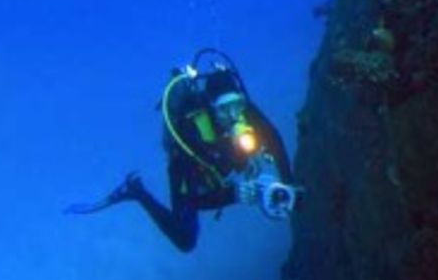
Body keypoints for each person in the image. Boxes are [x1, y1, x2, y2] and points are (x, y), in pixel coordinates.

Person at [67, 50, 298, 252]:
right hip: (189, 165)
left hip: (221, 162)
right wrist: (233, 195)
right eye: (224, 109)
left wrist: (289, 182)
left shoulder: (245, 111)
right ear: (210, 108)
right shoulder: (192, 129)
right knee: (185, 240)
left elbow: (274, 139)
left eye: (236, 105)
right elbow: (195, 200)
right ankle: (136, 191)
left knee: (246, 150)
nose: (233, 115)